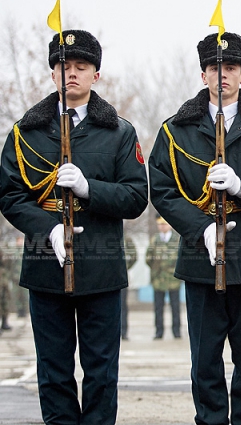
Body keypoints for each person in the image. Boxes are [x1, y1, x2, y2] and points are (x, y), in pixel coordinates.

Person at [0, 29, 148, 424]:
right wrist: (46, 229)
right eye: (64, 66)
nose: (72, 74)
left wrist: (88, 188)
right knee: (53, 371)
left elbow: (135, 198)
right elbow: (10, 195)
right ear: (52, 74)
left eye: (81, 67)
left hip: (100, 269)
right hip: (45, 267)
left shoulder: (119, 131)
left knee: (101, 372)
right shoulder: (25, 133)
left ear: (95, 75)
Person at [148, 31, 241, 425]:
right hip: (200, 259)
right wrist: (201, 228)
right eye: (215, 68)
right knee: (205, 362)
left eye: (231, 68)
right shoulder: (176, 130)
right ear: (202, 75)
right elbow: (161, 190)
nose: (222, 75)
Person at [145, 215, 182, 339]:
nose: (162, 226)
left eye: (164, 224)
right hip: (158, 279)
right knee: (158, 308)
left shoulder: (177, 240)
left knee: (175, 307)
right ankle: (159, 331)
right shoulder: (154, 240)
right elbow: (148, 258)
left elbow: (181, 259)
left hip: (173, 279)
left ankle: (176, 331)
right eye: (160, 224)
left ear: (170, 225)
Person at [121, 233, 138, 340]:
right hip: (105, 277)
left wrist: (125, 268)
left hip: (121, 277)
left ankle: (124, 331)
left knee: (122, 306)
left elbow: (134, 256)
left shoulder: (126, 239)